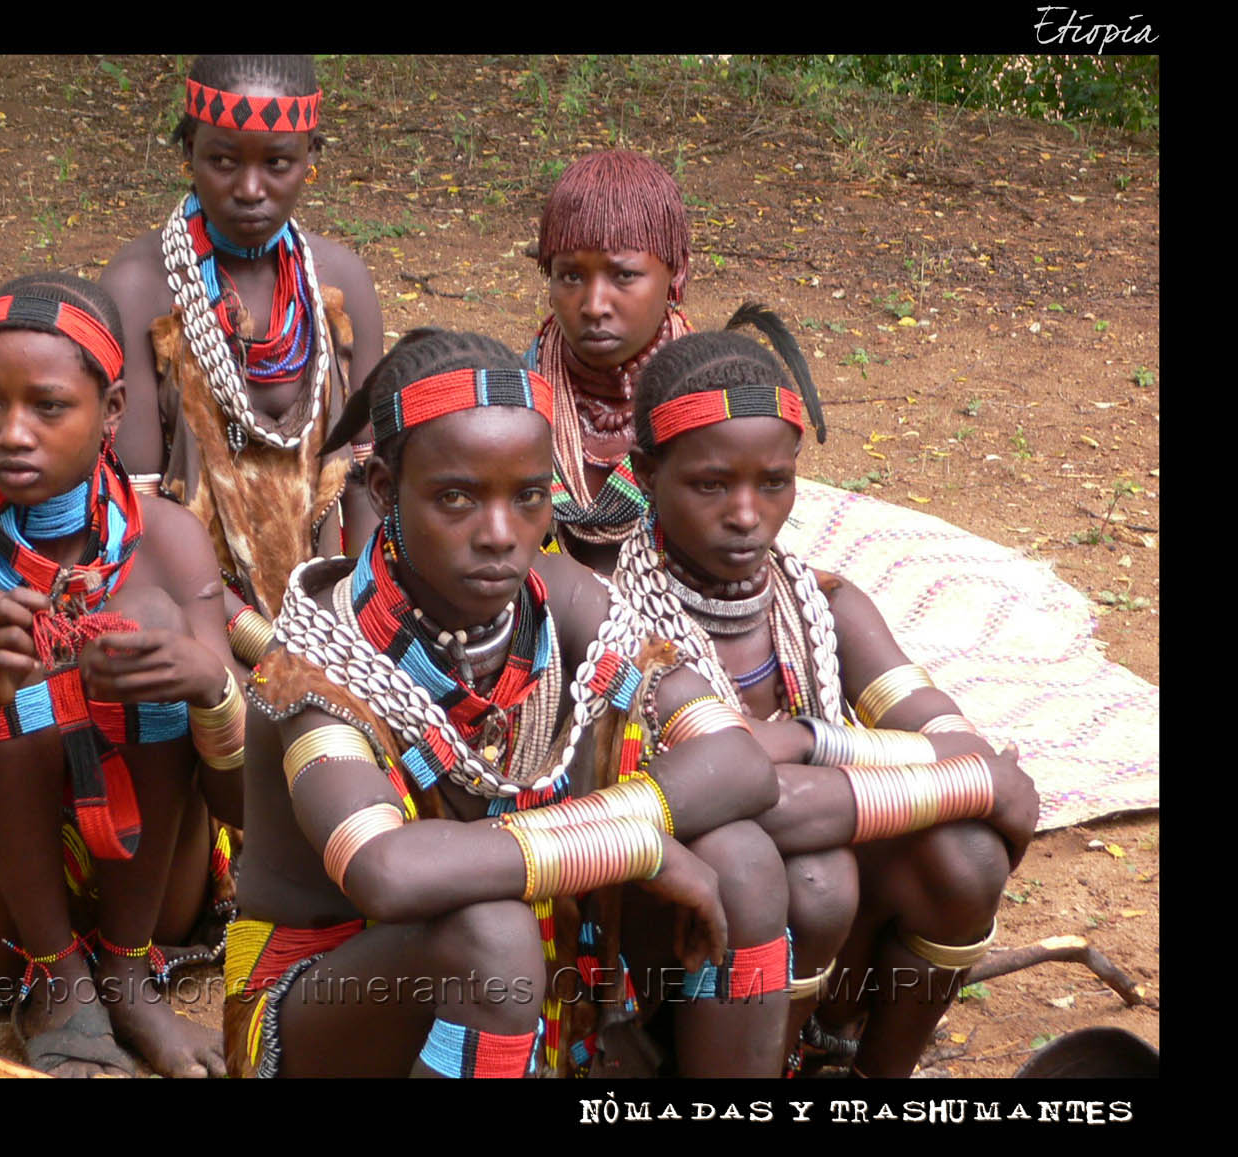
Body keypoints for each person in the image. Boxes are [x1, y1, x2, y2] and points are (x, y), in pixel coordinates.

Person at [227, 328, 794, 1078]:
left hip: (535, 948)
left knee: (744, 860)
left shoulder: (556, 599)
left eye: (528, 497)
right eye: (456, 497)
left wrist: (613, 836)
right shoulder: (314, 662)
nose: (500, 535)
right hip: (324, 1005)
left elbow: (735, 759)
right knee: (487, 936)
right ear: (385, 493)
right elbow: (386, 870)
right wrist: (637, 844)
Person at [611, 305, 1040, 1077]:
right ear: (645, 475)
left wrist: (807, 742)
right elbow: (748, 793)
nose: (746, 514)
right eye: (710, 483)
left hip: (821, 913)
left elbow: (961, 744)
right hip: (674, 932)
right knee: (813, 876)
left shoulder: (825, 604)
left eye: (772, 482)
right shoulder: (624, 629)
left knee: (967, 857)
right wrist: (967, 780)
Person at [0, 273, 244, 1078]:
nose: (12, 432)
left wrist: (211, 689)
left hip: (149, 885)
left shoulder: (168, 540)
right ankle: (57, 979)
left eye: (48, 405)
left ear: (114, 411)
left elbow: (246, 808)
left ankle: (128, 978)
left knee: (155, 624)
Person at [100, 54, 385, 660]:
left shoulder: (342, 282)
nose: (250, 189)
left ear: (310, 159)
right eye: (223, 160)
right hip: (187, 600)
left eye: (277, 162)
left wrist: (360, 619)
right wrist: (261, 640)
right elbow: (138, 507)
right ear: (189, 153)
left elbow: (365, 481)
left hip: (335, 600)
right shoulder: (140, 287)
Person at [525, 150, 704, 574]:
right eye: (570, 276)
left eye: (623, 275)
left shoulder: (711, 408)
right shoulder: (517, 399)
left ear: (677, 273)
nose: (593, 305)